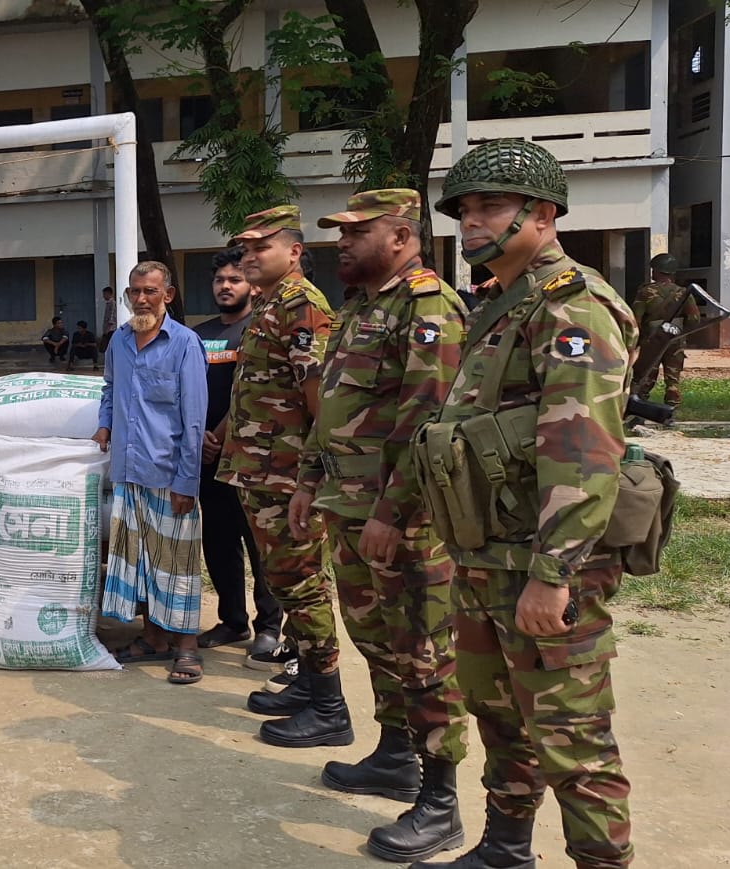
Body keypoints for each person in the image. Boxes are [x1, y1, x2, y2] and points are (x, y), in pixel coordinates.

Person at [410, 138, 639, 869]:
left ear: (542, 213)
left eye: (491, 206)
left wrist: (555, 571)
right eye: (464, 209)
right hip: (486, 559)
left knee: (572, 739)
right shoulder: (500, 305)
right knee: (499, 715)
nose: (471, 222)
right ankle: (506, 848)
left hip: (539, 566)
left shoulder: (574, 307)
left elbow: (583, 449)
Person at [288, 190, 470, 862]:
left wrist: (394, 512)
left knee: (423, 653)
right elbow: (333, 408)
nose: (343, 241)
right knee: (377, 639)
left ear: (400, 236)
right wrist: (311, 479)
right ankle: (396, 754)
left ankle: (441, 799)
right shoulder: (363, 307)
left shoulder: (427, 307)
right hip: (351, 507)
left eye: (356, 232)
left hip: (403, 521)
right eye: (340, 231)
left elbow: (429, 423)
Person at [217, 205, 348, 748]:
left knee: (301, 582)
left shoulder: (301, 305)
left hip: (287, 472)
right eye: (244, 249)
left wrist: (311, 477)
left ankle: (329, 706)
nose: (249, 257)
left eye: (260, 248)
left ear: (293, 252)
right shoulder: (272, 304)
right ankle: (306, 687)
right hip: (261, 468)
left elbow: (317, 395)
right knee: (286, 579)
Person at [94, 262, 208, 684]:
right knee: (137, 561)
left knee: (176, 562)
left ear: (168, 296)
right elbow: (109, 389)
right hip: (128, 470)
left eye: (150, 292)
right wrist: (105, 423)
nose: (141, 299)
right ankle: (153, 638)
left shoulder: (184, 344)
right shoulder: (119, 342)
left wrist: (186, 482)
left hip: (168, 473)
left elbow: (194, 420)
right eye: (135, 291)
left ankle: (186, 647)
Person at [194, 249, 283, 655]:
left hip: (250, 457)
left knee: (258, 543)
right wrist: (199, 436)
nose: (226, 287)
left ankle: (269, 625)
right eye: (219, 280)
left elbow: (255, 391)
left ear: (250, 284)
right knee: (218, 540)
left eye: (234, 280)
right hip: (207, 459)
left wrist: (220, 432)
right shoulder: (199, 334)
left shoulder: (260, 329)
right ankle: (232, 621)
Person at [630, 253, 699, 408]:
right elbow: (694, 319)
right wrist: (680, 332)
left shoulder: (645, 292)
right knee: (673, 378)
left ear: (658, 271)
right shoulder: (683, 292)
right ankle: (671, 412)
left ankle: (639, 410)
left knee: (645, 375)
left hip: (653, 340)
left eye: (654, 269)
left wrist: (638, 340)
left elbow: (636, 319)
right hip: (675, 339)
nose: (652, 272)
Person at [99, 286, 117, 355]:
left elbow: (111, 316)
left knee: (108, 345)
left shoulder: (112, 303)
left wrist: (108, 328)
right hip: (107, 328)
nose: (103, 296)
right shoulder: (108, 303)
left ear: (109, 294)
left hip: (110, 329)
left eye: (104, 294)